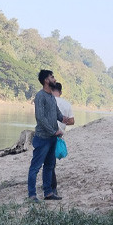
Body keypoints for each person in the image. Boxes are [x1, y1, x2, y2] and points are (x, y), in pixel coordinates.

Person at [27, 69, 65, 202]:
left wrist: (66, 119)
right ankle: (32, 195)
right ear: (46, 80)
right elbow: (40, 118)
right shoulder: (40, 96)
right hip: (42, 138)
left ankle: (48, 193)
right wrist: (53, 131)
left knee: (49, 166)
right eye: (52, 77)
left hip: (52, 139)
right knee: (35, 167)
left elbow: (58, 114)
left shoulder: (51, 97)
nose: (54, 79)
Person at [48, 82, 75, 198]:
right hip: (58, 135)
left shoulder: (47, 100)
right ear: (61, 91)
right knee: (51, 162)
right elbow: (72, 121)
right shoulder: (66, 104)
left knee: (47, 163)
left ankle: (52, 188)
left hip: (47, 134)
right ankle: (51, 187)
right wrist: (62, 121)